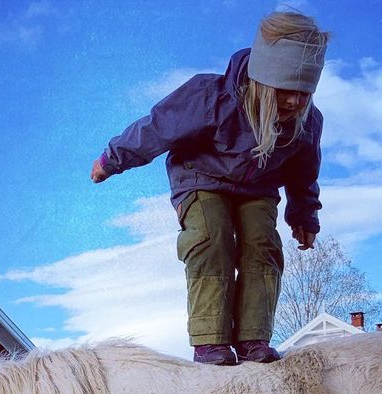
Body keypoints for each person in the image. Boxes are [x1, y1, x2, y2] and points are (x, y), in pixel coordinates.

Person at [91, 12, 329, 365]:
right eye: (285, 91)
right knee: (211, 236)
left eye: (303, 92)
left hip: (258, 188)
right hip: (200, 178)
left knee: (262, 243)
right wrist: (112, 159)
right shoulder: (210, 97)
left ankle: (253, 338)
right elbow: (156, 129)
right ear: (263, 80)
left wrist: (304, 217)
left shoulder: (306, 122)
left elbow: (304, 174)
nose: (294, 102)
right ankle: (210, 340)